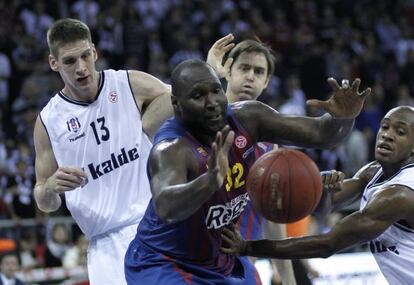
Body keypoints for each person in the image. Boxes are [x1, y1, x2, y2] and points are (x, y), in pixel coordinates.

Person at [124, 58, 370, 284]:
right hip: (165, 261)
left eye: (215, 90)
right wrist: (209, 181)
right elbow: (166, 207)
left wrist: (343, 118)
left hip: (222, 256)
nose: (212, 103)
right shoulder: (171, 148)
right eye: (198, 96)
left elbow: (322, 134)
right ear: (176, 104)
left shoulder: (248, 117)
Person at [33, 18, 172, 285]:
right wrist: (50, 186)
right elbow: (44, 202)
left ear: (95, 52)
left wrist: (210, 70)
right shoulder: (48, 121)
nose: (81, 68)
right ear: (54, 63)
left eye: (85, 56)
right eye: (70, 61)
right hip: (105, 246)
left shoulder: (131, 84)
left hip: (156, 225)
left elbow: (184, 100)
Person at [221, 105, 414, 284]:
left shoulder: (400, 194)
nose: (387, 135)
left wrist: (248, 247)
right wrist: (326, 192)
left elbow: (328, 244)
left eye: (400, 132)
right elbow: (324, 209)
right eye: (385, 127)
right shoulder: (373, 172)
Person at [207, 35, 296, 284]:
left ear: (267, 81)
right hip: (197, 261)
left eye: (259, 72)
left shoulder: (269, 143)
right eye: (244, 68)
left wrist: (288, 279)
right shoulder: (203, 122)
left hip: (242, 267)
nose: (250, 76)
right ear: (227, 70)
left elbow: (272, 219)